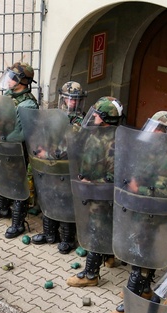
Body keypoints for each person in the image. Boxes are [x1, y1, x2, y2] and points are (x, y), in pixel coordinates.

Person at [109, 111, 167, 313]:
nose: (154, 131)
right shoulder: (155, 146)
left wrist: (138, 187)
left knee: (142, 251)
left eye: (159, 129)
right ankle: (144, 290)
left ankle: (131, 300)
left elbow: (166, 189)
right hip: (143, 206)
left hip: (155, 210)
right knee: (143, 248)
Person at [66, 96, 122, 288]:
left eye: (97, 114)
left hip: (102, 195)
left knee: (96, 230)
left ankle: (91, 274)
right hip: (91, 189)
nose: (94, 116)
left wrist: (92, 182)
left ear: (105, 118)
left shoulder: (114, 143)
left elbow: (113, 177)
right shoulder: (96, 133)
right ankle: (110, 257)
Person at [0, 62, 38, 239]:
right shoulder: (9, 95)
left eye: (13, 77)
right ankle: (2, 208)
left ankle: (18, 223)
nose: (8, 80)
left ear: (22, 81)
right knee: (1, 175)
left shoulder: (28, 104)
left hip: (18, 150)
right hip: (4, 146)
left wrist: (2, 138)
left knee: (18, 183)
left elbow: (21, 133)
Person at [30, 80, 85, 251]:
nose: (73, 102)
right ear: (63, 98)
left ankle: (68, 239)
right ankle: (49, 234)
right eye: (69, 98)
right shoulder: (53, 116)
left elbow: (70, 146)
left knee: (65, 200)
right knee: (47, 195)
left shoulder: (80, 122)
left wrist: (47, 153)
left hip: (67, 167)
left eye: (75, 99)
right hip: (50, 166)